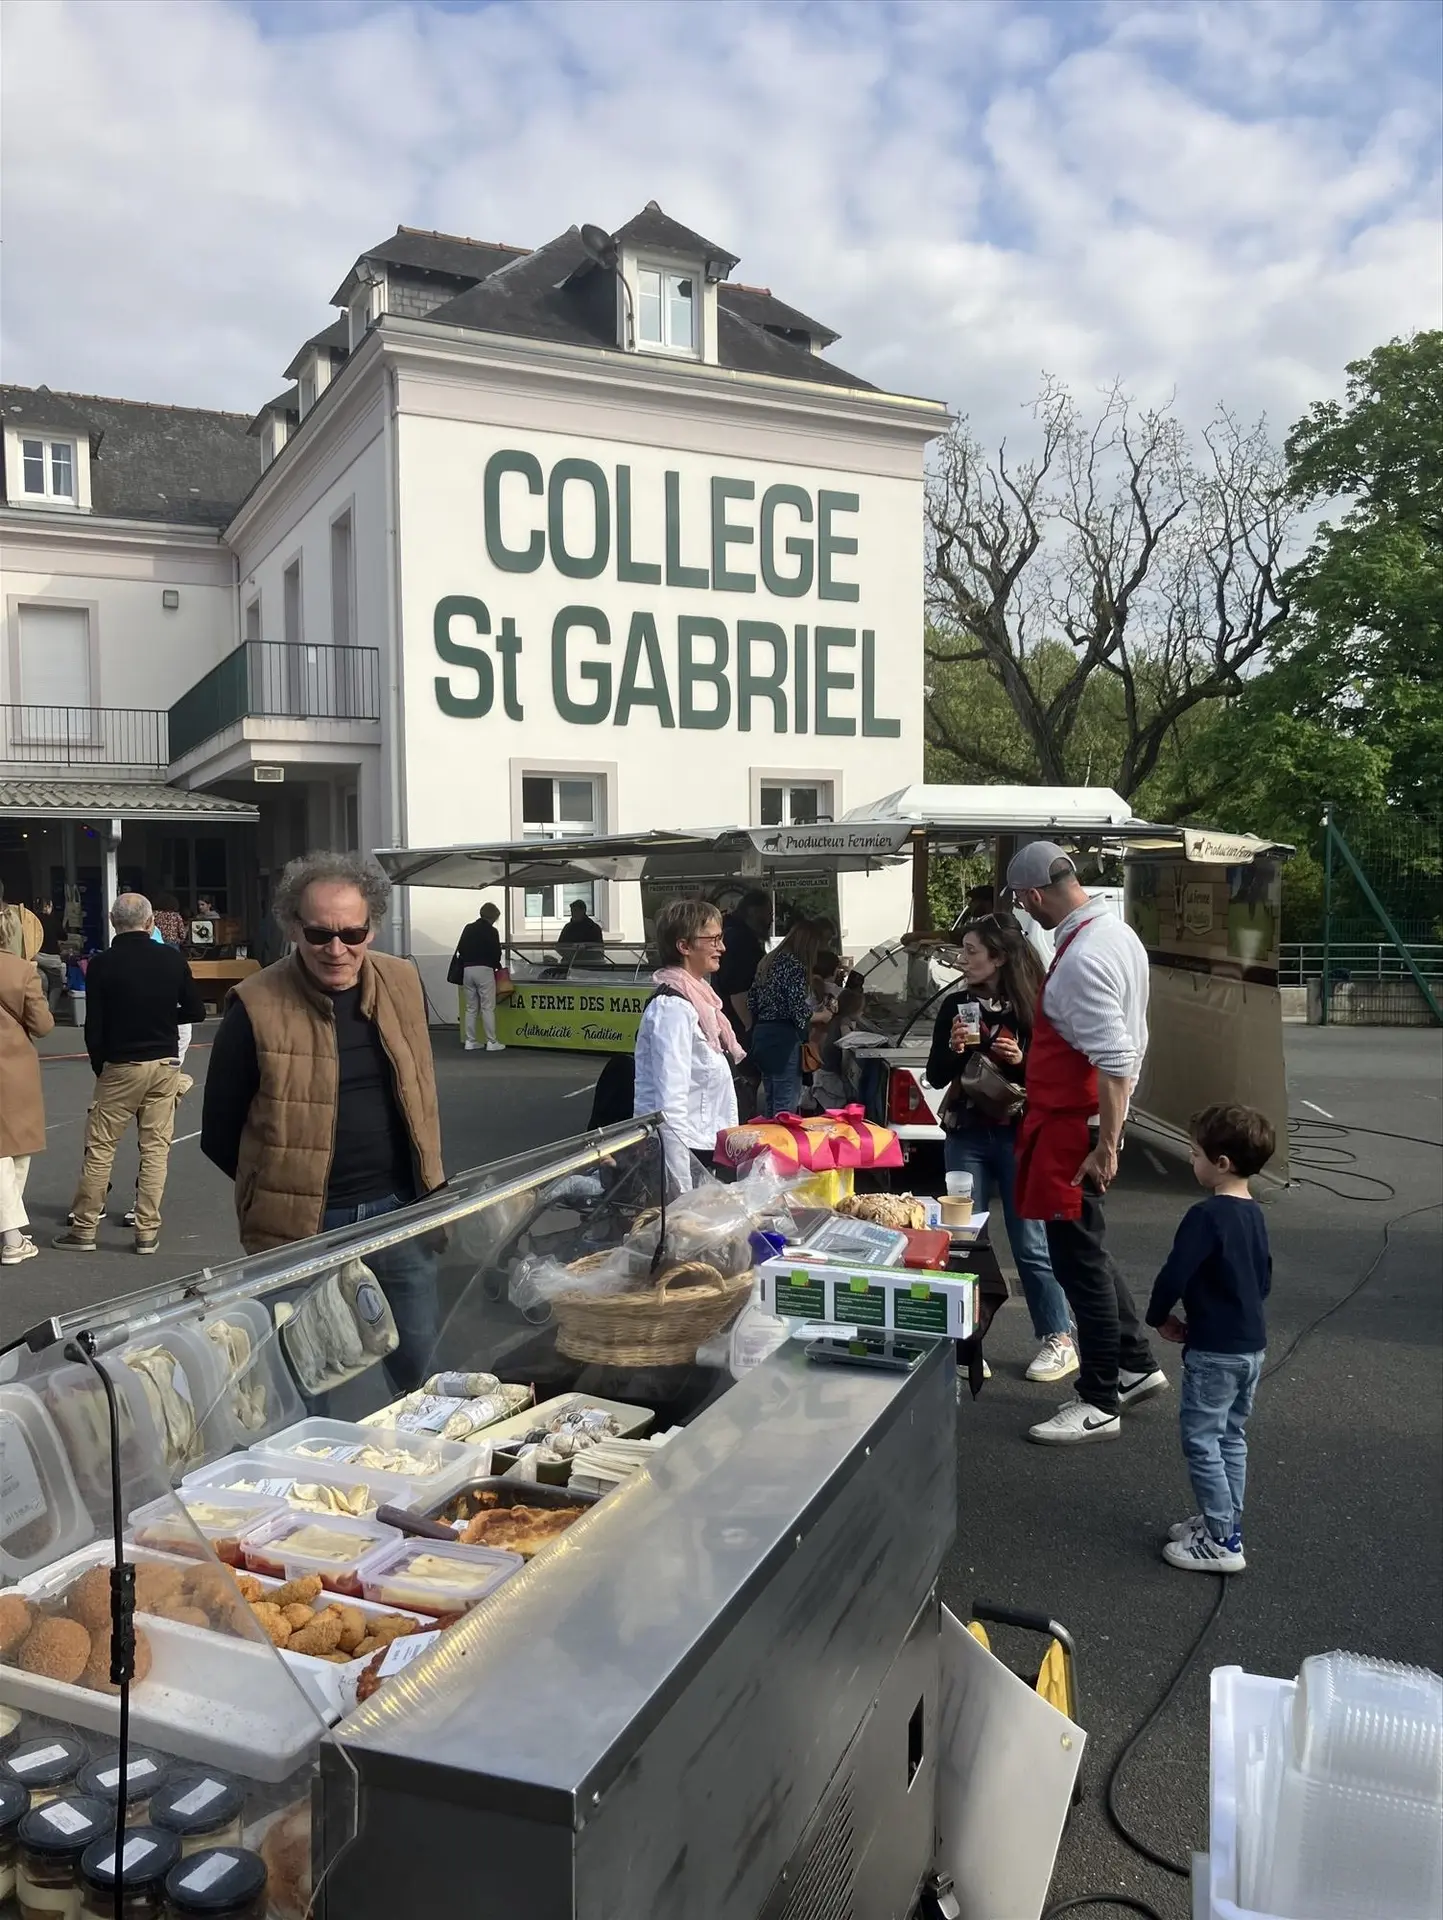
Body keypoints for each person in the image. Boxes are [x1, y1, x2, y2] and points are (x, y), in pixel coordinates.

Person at [201, 851, 445, 1390]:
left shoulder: (403, 983)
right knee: (308, 1383)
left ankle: (429, 1467)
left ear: (372, 928)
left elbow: (420, 1091)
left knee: (423, 1374)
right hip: (302, 1230)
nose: (337, 949)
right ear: (293, 927)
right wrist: (279, 1192)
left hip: (401, 1211)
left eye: (352, 933)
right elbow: (219, 1134)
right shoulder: (255, 1005)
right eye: (319, 934)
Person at [1005, 842, 1166, 1445]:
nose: (1026, 911)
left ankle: (1098, 1396)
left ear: (1036, 894)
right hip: (1084, 1120)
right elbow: (1127, 1048)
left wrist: (1107, 1144)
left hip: (1077, 1126)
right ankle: (1134, 1362)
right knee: (1088, 1252)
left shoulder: (1082, 958)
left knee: (1078, 1262)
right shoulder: (1116, 934)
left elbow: (1116, 1058)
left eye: (1023, 901)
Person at [924, 914, 1078, 1384]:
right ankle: (966, 1344)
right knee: (964, 1239)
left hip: (1017, 1133)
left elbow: (1055, 1076)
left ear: (999, 957)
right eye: (963, 950)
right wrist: (953, 1049)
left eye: (972, 951)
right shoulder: (956, 1006)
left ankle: (1059, 1337)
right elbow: (935, 1075)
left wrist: (1022, 1060)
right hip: (966, 1132)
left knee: (1029, 1242)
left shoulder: (1033, 1008)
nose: (963, 959)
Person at [1146, 1104, 1276, 1574]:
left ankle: (1222, 1540)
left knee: (1202, 1440)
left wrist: (1159, 1316)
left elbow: (1174, 1273)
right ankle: (1223, 1522)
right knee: (1231, 1437)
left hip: (1213, 1351)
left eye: (1195, 1152)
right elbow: (1263, 1280)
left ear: (1220, 1163)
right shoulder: (1254, 1215)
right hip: (1250, 1346)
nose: (1190, 1158)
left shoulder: (1205, 1216)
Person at [53, 894, 205, 1256]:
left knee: (101, 1149)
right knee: (155, 1149)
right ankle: (146, 1231)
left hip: (121, 1066)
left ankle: (85, 1229)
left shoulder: (103, 965)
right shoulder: (171, 958)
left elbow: (96, 1027)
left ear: (111, 919)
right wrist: (164, 1016)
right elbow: (197, 1011)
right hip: (165, 1064)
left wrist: (99, 1066)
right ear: (151, 921)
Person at [634, 898, 744, 1195]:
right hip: (685, 1157)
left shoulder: (701, 1000)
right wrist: (681, 1189)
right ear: (684, 946)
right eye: (714, 939)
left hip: (703, 1148)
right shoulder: (673, 1008)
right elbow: (669, 1105)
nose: (722, 947)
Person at [0, 949, 54, 1266]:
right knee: (14, 1148)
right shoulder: (20, 969)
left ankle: (10, 1227)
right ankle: (10, 1236)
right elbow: (43, 1024)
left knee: (10, 1150)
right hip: (13, 1065)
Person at [748, 918, 827, 1117]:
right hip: (784, 1039)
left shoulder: (766, 962)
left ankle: (768, 1145)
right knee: (786, 1106)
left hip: (762, 1036)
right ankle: (781, 1147)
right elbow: (797, 1010)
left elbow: (752, 1002)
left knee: (770, 1100)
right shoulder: (794, 966)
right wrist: (823, 1015)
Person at [712, 890, 772, 1038]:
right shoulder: (740, 939)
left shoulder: (733, 933)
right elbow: (737, 988)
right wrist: (749, 1026)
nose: (771, 919)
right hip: (739, 1025)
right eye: (768, 913)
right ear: (753, 912)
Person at [451, 901, 505, 1052]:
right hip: (484, 970)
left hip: (467, 970)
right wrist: (496, 965)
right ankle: (492, 1041)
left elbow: (461, 948)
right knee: (488, 1007)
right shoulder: (491, 931)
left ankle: (470, 1041)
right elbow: (496, 953)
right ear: (493, 917)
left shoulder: (468, 928)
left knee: (471, 1008)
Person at [35, 898, 66, 1013]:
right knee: (56, 985)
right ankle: (49, 1012)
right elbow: (64, 936)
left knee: (42, 984)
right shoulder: (53, 920)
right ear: (47, 907)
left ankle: (41, 1011)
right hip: (51, 959)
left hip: (37, 956)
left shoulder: (33, 920)